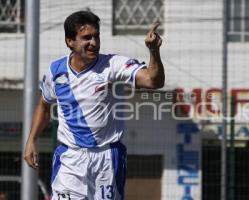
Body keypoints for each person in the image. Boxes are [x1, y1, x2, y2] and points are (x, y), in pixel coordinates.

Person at [24, 10, 164, 200]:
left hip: (107, 158)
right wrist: (31, 140)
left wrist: (154, 51)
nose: (94, 43)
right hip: (70, 158)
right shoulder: (55, 72)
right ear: (70, 41)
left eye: (97, 36)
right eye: (86, 37)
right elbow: (44, 105)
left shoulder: (113, 65)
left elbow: (152, 81)